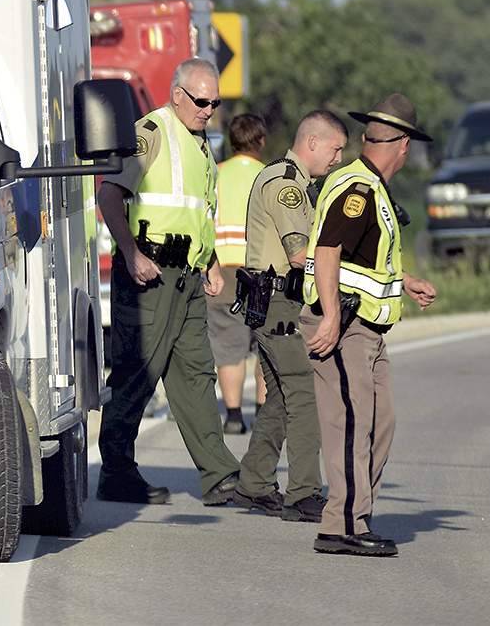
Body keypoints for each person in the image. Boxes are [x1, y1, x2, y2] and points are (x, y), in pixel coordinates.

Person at [96, 57, 241, 506]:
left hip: (187, 279)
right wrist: (131, 253)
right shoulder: (150, 134)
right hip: (150, 276)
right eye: (201, 101)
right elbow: (108, 194)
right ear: (178, 94)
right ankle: (116, 473)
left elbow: (198, 212)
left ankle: (219, 475)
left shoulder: (201, 146)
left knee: (197, 376)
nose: (209, 109)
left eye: (215, 102)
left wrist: (211, 260)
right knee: (137, 374)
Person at [303, 94, 438, 556]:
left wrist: (403, 282)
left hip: (367, 327)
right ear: (403, 145)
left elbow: (364, 264)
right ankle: (340, 525)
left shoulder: (372, 186)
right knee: (350, 422)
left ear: (367, 138)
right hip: (344, 324)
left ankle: (357, 514)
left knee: (381, 422)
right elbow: (327, 252)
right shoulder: (359, 189)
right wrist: (333, 317)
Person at [230, 110, 349, 523]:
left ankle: (254, 484)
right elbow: (301, 254)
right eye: (335, 149)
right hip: (278, 301)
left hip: (274, 301)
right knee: (304, 393)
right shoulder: (286, 185)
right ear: (313, 142)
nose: (337, 159)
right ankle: (303, 493)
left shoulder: (294, 182)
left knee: (280, 397)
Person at [210, 113, 267, 434]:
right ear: (261, 141)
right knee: (264, 344)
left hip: (223, 270)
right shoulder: (271, 177)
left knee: (228, 346)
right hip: (262, 272)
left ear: (231, 143)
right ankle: (261, 411)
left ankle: (233, 416)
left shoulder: (215, 174)